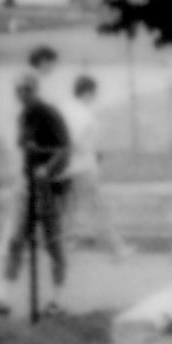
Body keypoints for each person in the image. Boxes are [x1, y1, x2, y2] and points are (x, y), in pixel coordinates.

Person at [0, 71, 73, 312]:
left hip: (50, 187)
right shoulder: (24, 115)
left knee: (53, 243)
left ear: (35, 89)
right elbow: (24, 146)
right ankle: (2, 298)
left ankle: (58, 300)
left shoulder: (49, 114)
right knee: (16, 240)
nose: (22, 95)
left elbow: (64, 148)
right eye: (19, 91)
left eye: (27, 90)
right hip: (28, 184)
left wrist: (47, 168)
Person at [0, 45, 61, 284]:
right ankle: (10, 249)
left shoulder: (32, 89)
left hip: (29, 161)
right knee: (22, 208)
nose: (53, 67)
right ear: (42, 61)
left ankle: (15, 248)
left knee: (24, 210)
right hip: (25, 161)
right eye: (50, 62)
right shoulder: (32, 85)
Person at [59, 75, 124, 258]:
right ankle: (117, 247)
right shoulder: (82, 113)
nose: (95, 98)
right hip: (84, 166)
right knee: (99, 206)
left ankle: (66, 243)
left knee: (69, 207)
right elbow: (76, 141)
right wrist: (91, 151)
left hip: (69, 167)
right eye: (94, 94)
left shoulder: (66, 109)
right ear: (87, 92)